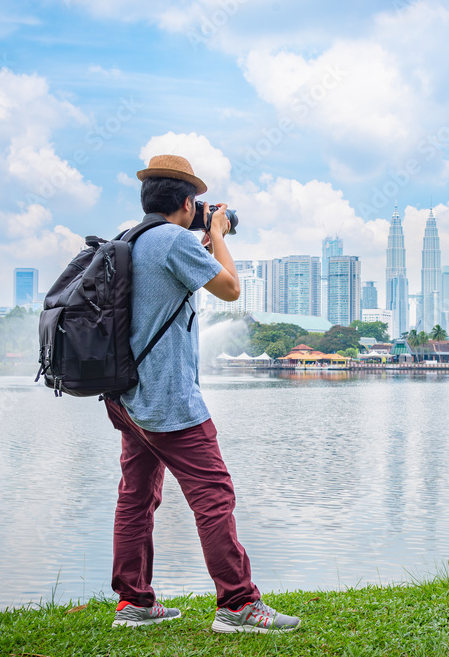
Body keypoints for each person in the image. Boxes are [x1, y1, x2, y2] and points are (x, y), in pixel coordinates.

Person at [103, 154, 300, 633]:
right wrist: (221, 237)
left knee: (136, 497)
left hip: (128, 397)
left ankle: (134, 604)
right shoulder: (172, 240)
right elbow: (230, 289)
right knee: (213, 495)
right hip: (168, 400)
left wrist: (207, 235)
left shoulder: (131, 238)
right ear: (187, 202)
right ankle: (237, 605)